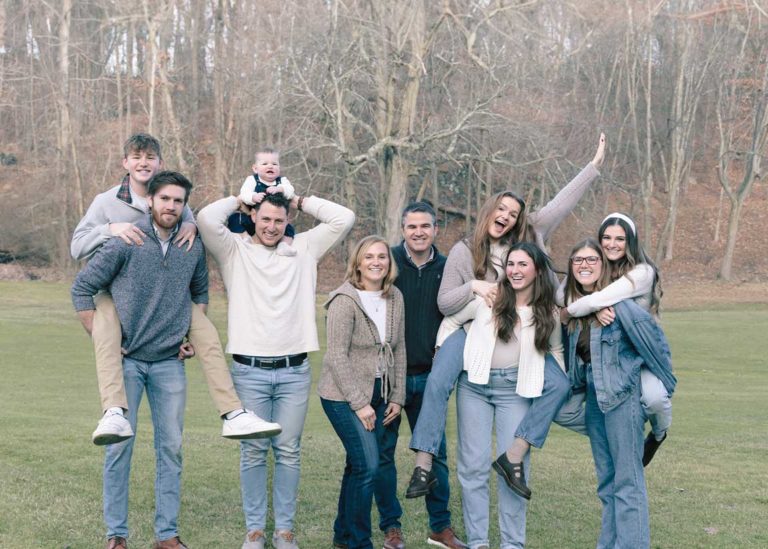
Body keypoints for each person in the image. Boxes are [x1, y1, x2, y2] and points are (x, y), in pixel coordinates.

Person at [406, 133, 606, 498]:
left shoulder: (529, 240)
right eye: (503, 210)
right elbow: (445, 303)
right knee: (438, 383)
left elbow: (562, 203)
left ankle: (514, 454)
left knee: (559, 385)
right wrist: (474, 287)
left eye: (514, 215)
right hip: (469, 330)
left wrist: (592, 168)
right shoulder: (466, 251)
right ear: (490, 211)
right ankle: (422, 465)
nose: (507, 217)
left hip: (524, 333)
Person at [71, 133, 279, 445]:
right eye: (137, 157)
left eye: (150, 157)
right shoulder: (107, 202)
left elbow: (196, 275)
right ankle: (113, 411)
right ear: (125, 163)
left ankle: (234, 413)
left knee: (205, 331)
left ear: (159, 163)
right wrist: (110, 229)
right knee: (107, 328)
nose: (144, 162)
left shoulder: (173, 197)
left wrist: (192, 226)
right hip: (115, 289)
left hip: (164, 295)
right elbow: (78, 251)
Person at [197, 189, 355, 549]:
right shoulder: (234, 249)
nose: (271, 226)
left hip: (293, 370)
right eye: (265, 218)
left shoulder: (304, 249)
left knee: (287, 450)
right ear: (254, 216)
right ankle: (254, 531)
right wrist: (240, 200)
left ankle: (284, 532)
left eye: (279, 220)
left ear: (288, 222)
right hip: (249, 370)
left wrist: (299, 200)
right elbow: (207, 218)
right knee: (253, 450)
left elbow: (343, 218)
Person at [71, 171, 206, 549]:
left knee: (171, 448)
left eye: (178, 201)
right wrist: (102, 337)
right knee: (119, 448)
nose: (171, 206)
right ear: (151, 200)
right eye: (165, 199)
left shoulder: (191, 244)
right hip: (128, 364)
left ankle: (167, 536)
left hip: (169, 365)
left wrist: (191, 335)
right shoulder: (126, 239)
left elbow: (200, 291)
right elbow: (82, 288)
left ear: (184, 206)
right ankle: (117, 535)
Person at [449, 242, 565, 549]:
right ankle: (478, 542)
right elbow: (452, 320)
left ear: (537, 270)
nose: (514, 270)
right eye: (510, 264)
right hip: (474, 387)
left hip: (515, 391)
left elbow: (555, 350)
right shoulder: (489, 298)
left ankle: (513, 544)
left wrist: (554, 382)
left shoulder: (547, 312)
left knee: (514, 469)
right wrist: (441, 351)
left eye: (522, 264)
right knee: (472, 467)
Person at [562, 238, 676, 549]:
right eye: (578, 260)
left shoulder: (623, 307)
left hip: (623, 396)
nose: (585, 265)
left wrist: (663, 381)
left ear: (604, 267)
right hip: (595, 398)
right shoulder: (577, 305)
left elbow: (656, 342)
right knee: (607, 482)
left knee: (627, 480)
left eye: (591, 260)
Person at [374, 203, 467, 549]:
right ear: (402, 228)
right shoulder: (388, 262)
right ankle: (391, 528)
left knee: (436, 454)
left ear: (435, 229)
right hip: (389, 379)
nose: (418, 232)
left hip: (431, 378)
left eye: (425, 226)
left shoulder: (448, 268)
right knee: (383, 455)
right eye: (411, 226)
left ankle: (440, 527)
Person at [317, 235, 407, 549]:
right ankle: (359, 541)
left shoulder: (394, 296)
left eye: (381, 256)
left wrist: (397, 395)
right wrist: (360, 404)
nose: (376, 262)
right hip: (342, 396)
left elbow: (400, 348)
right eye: (368, 257)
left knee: (358, 464)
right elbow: (336, 356)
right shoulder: (345, 299)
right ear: (358, 262)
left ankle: (343, 536)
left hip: (381, 393)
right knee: (368, 466)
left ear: (389, 262)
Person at [561, 213, 671, 465]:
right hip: (611, 359)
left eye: (620, 238)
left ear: (630, 242)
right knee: (572, 409)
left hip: (641, 353)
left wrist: (590, 306)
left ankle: (658, 434)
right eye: (607, 237)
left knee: (654, 398)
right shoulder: (597, 265)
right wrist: (585, 307)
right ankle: (621, 431)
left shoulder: (642, 273)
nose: (612, 243)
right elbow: (562, 292)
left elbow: (599, 299)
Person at [228, 147, 296, 256]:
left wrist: (280, 189)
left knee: (289, 229)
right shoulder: (252, 180)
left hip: (274, 217)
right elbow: (244, 193)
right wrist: (253, 197)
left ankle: (284, 245)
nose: (270, 166)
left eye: (274, 164)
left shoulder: (282, 181)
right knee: (235, 219)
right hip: (251, 216)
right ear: (255, 168)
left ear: (279, 168)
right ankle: (245, 238)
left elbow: (290, 191)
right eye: (265, 164)